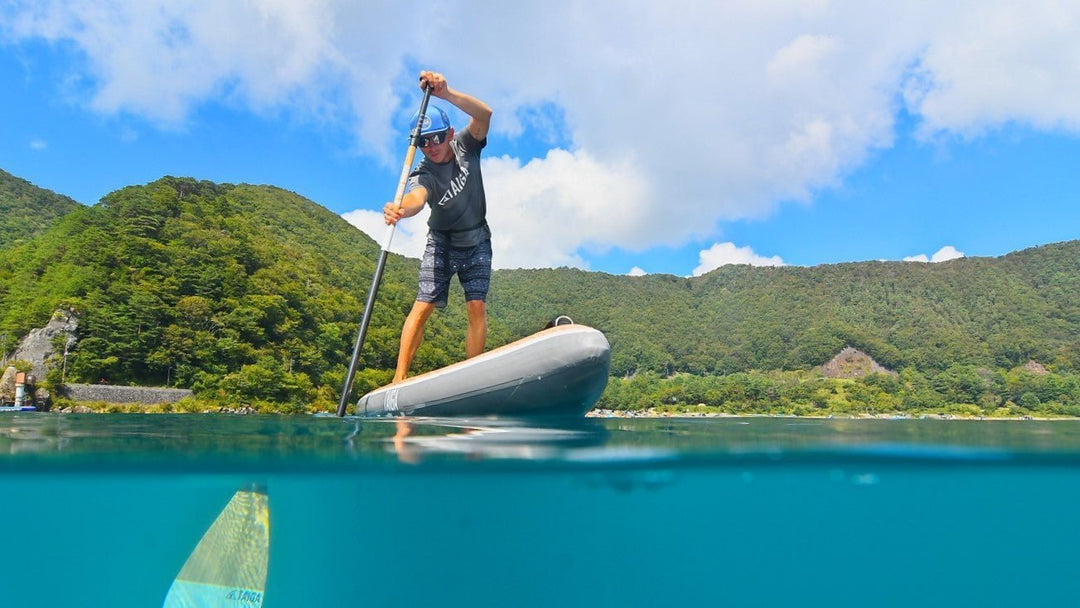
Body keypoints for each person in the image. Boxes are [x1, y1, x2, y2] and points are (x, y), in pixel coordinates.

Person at [383, 70, 493, 383]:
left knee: (476, 305)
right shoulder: (424, 171)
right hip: (441, 243)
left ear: (449, 133)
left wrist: (446, 93)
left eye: (436, 138)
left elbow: (485, 114)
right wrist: (401, 210)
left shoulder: (467, 145)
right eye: (423, 142)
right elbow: (417, 197)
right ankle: (399, 378)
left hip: (477, 239)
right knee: (423, 305)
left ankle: (472, 377)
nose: (431, 146)